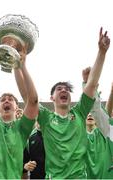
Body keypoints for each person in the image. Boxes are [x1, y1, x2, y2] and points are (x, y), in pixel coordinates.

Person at [36, 27, 110, 179]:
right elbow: (31, 98)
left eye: (67, 89)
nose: (64, 90)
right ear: (52, 98)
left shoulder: (79, 112)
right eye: (59, 89)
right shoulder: (45, 117)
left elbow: (92, 84)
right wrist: (19, 64)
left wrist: (101, 53)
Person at [0, 39, 39, 179]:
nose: (6, 101)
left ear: (17, 108)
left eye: (10, 99)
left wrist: (22, 66)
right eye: (3, 100)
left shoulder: (22, 127)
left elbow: (33, 101)